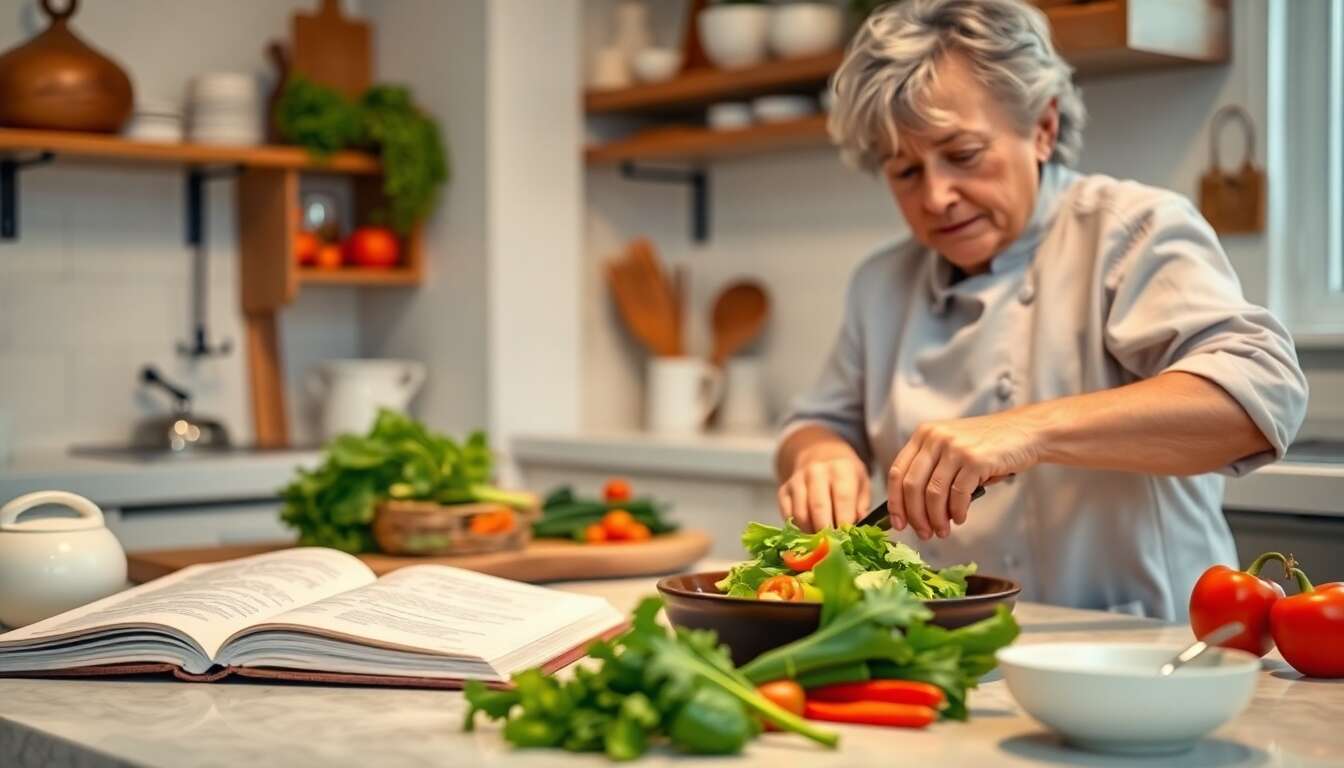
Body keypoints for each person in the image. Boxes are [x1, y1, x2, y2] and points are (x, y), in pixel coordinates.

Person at [774, 0, 1307, 620]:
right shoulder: (882, 282)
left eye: (963, 154)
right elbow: (816, 422)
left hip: (1136, 642)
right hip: (954, 640)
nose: (937, 196)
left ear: (1043, 128)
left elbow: (1259, 397)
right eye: (906, 171)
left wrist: (1025, 430)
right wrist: (819, 456)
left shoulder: (1129, 231)